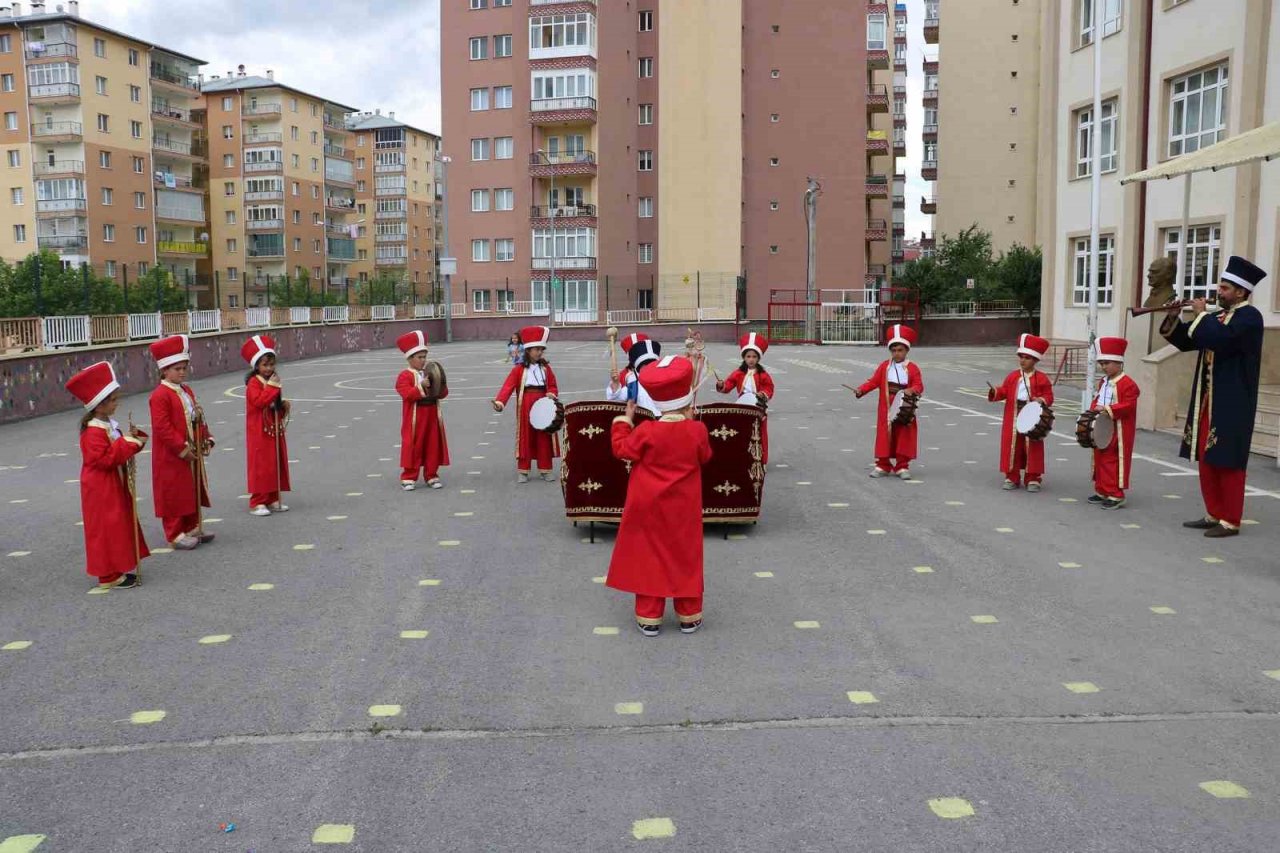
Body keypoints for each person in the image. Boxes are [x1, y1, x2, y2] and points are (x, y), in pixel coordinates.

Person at [606, 355, 713, 637]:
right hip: (684, 506)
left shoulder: (647, 431)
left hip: (648, 504)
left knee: (650, 556)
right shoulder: (697, 430)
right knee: (685, 555)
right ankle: (689, 614)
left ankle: (649, 615)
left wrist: (623, 421)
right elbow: (705, 456)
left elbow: (621, 450)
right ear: (687, 402)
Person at [1162, 255, 1266, 538]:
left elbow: (1222, 339)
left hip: (1233, 400)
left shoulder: (1250, 318)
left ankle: (1230, 520)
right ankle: (1214, 513)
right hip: (1208, 399)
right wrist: (1174, 316)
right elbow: (1187, 341)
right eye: (1220, 287)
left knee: (1228, 460)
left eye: (1224, 288)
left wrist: (1200, 315)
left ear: (1241, 292)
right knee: (1207, 457)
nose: (1218, 292)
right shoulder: (1218, 317)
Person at [65, 361, 150, 590]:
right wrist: (128, 443)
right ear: (99, 405)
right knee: (105, 529)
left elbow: (120, 450)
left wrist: (135, 440)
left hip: (112, 483)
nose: (117, 404)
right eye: (112, 400)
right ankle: (107, 575)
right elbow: (103, 459)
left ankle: (117, 568)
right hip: (100, 487)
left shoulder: (106, 425)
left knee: (117, 526)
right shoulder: (93, 431)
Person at [148, 335, 213, 550]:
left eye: (184, 367)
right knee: (174, 493)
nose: (182, 372)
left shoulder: (186, 391)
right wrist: (181, 448)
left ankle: (191, 526)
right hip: (171, 455)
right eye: (177, 368)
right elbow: (162, 427)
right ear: (164, 370)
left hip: (191, 450)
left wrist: (206, 437)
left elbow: (197, 416)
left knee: (190, 489)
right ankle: (175, 534)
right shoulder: (159, 395)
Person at [852, 324, 924, 479]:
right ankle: (883, 465)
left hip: (905, 405)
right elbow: (873, 381)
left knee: (904, 434)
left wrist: (911, 390)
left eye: (900, 350)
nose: (897, 353)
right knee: (885, 435)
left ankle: (902, 466)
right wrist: (861, 390)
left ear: (906, 351)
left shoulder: (913, 368)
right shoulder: (884, 366)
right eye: (894, 350)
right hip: (886, 405)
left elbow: (919, 385)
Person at [988, 333, 1054, 492]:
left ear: (1035, 360)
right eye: (1021, 357)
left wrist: (1042, 400)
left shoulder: (1042, 378)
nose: (1023, 360)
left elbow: (1049, 396)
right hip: (1013, 415)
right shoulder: (1012, 377)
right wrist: (995, 391)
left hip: (1032, 416)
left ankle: (1033, 478)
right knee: (1012, 447)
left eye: (1027, 358)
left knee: (1032, 446)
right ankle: (1012, 476)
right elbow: (1004, 391)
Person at [493, 325, 559, 483]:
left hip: (543, 403)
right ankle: (523, 470)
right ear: (528, 350)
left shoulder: (546, 368)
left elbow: (553, 385)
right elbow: (508, 386)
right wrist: (500, 402)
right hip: (526, 404)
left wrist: (552, 393)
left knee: (544, 436)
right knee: (526, 436)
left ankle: (545, 468)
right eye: (536, 349)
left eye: (541, 349)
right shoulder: (519, 369)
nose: (539, 352)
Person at [1087, 337, 1140, 510]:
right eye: (1101, 363)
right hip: (1103, 426)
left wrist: (1108, 409)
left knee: (1112, 460)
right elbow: (1097, 399)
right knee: (1099, 458)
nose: (1103, 367)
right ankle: (1102, 489)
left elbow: (1129, 405)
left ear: (1118, 363)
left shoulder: (1128, 384)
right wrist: (1093, 410)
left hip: (1119, 429)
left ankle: (1116, 494)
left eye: (1107, 363)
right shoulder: (1104, 381)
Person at [242, 334, 291, 516]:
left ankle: (272, 497)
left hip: (273, 428)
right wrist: (272, 388)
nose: (269, 368)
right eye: (265, 365)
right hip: (258, 430)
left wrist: (283, 406)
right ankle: (257, 500)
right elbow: (259, 402)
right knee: (261, 464)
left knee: (274, 462)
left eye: (271, 365)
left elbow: (273, 406)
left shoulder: (272, 381)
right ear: (256, 366)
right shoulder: (254, 383)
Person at [396, 330, 450, 491]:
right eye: (419, 357)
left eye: (424, 357)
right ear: (410, 358)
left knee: (432, 444)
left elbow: (443, 393)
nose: (423, 360)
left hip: (432, 414)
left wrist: (440, 382)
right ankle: (409, 476)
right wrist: (421, 386)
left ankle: (431, 475)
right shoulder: (404, 376)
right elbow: (407, 394)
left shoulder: (429, 373)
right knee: (414, 445)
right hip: (416, 416)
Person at [716, 332, 774, 463]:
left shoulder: (763, 374)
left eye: (754, 356)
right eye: (748, 356)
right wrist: (721, 385)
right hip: (742, 406)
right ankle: (743, 456)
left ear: (758, 358)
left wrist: (763, 394)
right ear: (744, 357)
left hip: (758, 407)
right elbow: (728, 385)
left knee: (758, 433)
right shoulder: (738, 373)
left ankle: (760, 458)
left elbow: (769, 388)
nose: (751, 359)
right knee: (742, 433)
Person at [605, 332, 661, 414]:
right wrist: (615, 383)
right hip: (644, 420)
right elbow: (615, 400)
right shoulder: (633, 381)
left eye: (651, 364)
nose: (648, 368)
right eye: (644, 365)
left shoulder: (665, 375)